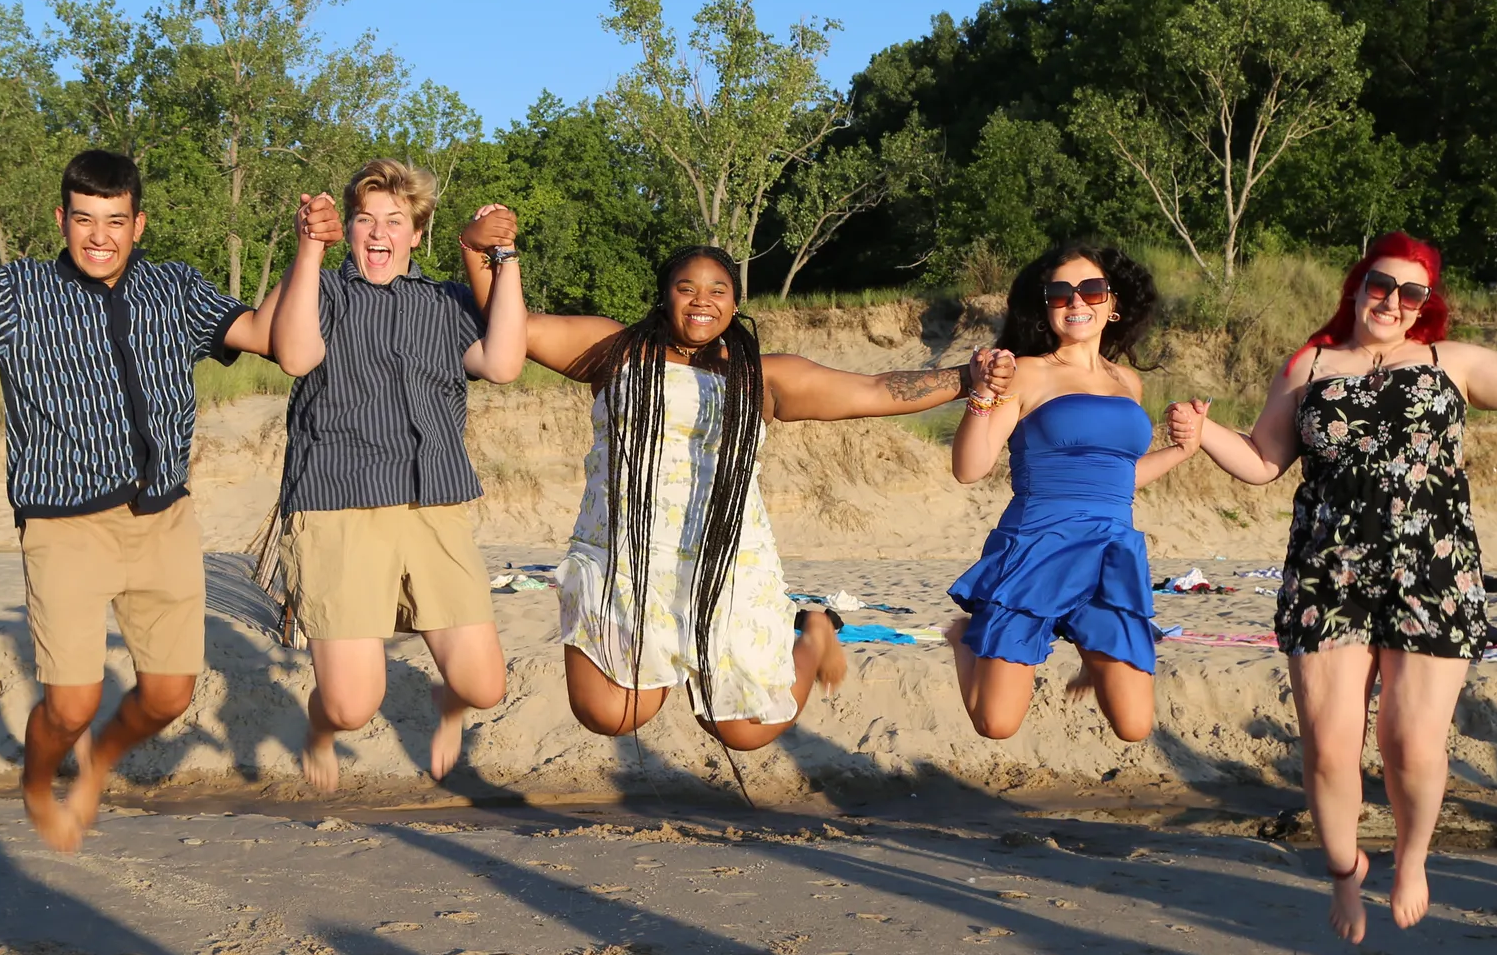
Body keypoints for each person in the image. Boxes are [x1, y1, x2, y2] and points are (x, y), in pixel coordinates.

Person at [1170, 233, 1497, 943]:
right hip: (1328, 573)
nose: (1393, 302)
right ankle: (1345, 871)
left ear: (1425, 306)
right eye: (1382, 284)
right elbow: (1260, 459)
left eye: (1413, 294)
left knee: (1410, 743)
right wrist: (1201, 432)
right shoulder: (1308, 365)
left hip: (1432, 573)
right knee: (1329, 745)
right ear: (1356, 283)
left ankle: (1412, 859)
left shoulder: (1449, 362)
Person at [0, 149, 281, 849]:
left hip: (165, 518)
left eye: (114, 220)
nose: (99, 235)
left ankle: (101, 759)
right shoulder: (21, 290)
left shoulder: (176, 288)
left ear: (138, 223)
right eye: (84, 219)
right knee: (71, 704)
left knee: (170, 694)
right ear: (62, 218)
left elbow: (269, 337)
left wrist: (309, 247)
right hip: (65, 527)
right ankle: (36, 777)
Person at [464, 226, 1002, 749]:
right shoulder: (615, 350)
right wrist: (483, 251)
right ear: (664, 297)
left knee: (744, 732)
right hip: (624, 557)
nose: (703, 300)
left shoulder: (762, 377)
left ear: (735, 302)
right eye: (687, 288)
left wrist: (970, 378)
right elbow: (512, 326)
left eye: (718, 289)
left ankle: (813, 634)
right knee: (609, 715)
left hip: (726, 560)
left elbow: (879, 389)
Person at [270, 161, 528, 790]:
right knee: (352, 706)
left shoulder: (444, 301)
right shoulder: (323, 291)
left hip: (434, 502)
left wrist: (506, 257)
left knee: (483, 687)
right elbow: (296, 355)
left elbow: (503, 363)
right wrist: (308, 249)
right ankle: (320, 727)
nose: (379, 234)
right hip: (339, 502)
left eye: (395, 222)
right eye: (365, 220)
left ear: (418, 234)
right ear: (348, 230)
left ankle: (449, 704)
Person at [947, 245, 1195, 742]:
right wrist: (982, 394)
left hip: (1110, 555)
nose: (1076, 300)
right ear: (1045, 306)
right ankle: (963, 638)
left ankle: (1086, 641)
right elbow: (970, 469)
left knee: (1133, 725)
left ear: (1113, 304)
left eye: (1091, 290)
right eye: (1061, 292)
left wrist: (1181, 451)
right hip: (1037, 548)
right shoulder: (1026, 371)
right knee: (996, 724)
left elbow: (1116, 481)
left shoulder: (1127, 383)